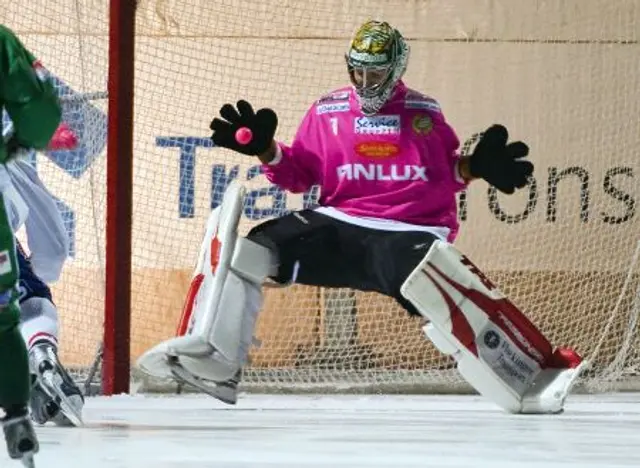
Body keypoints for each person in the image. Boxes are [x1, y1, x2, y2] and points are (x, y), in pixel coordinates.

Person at [138, 20, 584, 414]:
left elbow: (445, 173)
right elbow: (298, 177)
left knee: (442, 288)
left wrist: (476, 167)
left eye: (377, 72)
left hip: (407, 230)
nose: (366, 81)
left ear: (397, 69)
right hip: (338, 224)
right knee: (247, 250)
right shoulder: (327, 111)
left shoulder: (423, 115)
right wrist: (265, 149)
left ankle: (529, 372)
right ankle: (218, 362)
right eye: (358, 70)